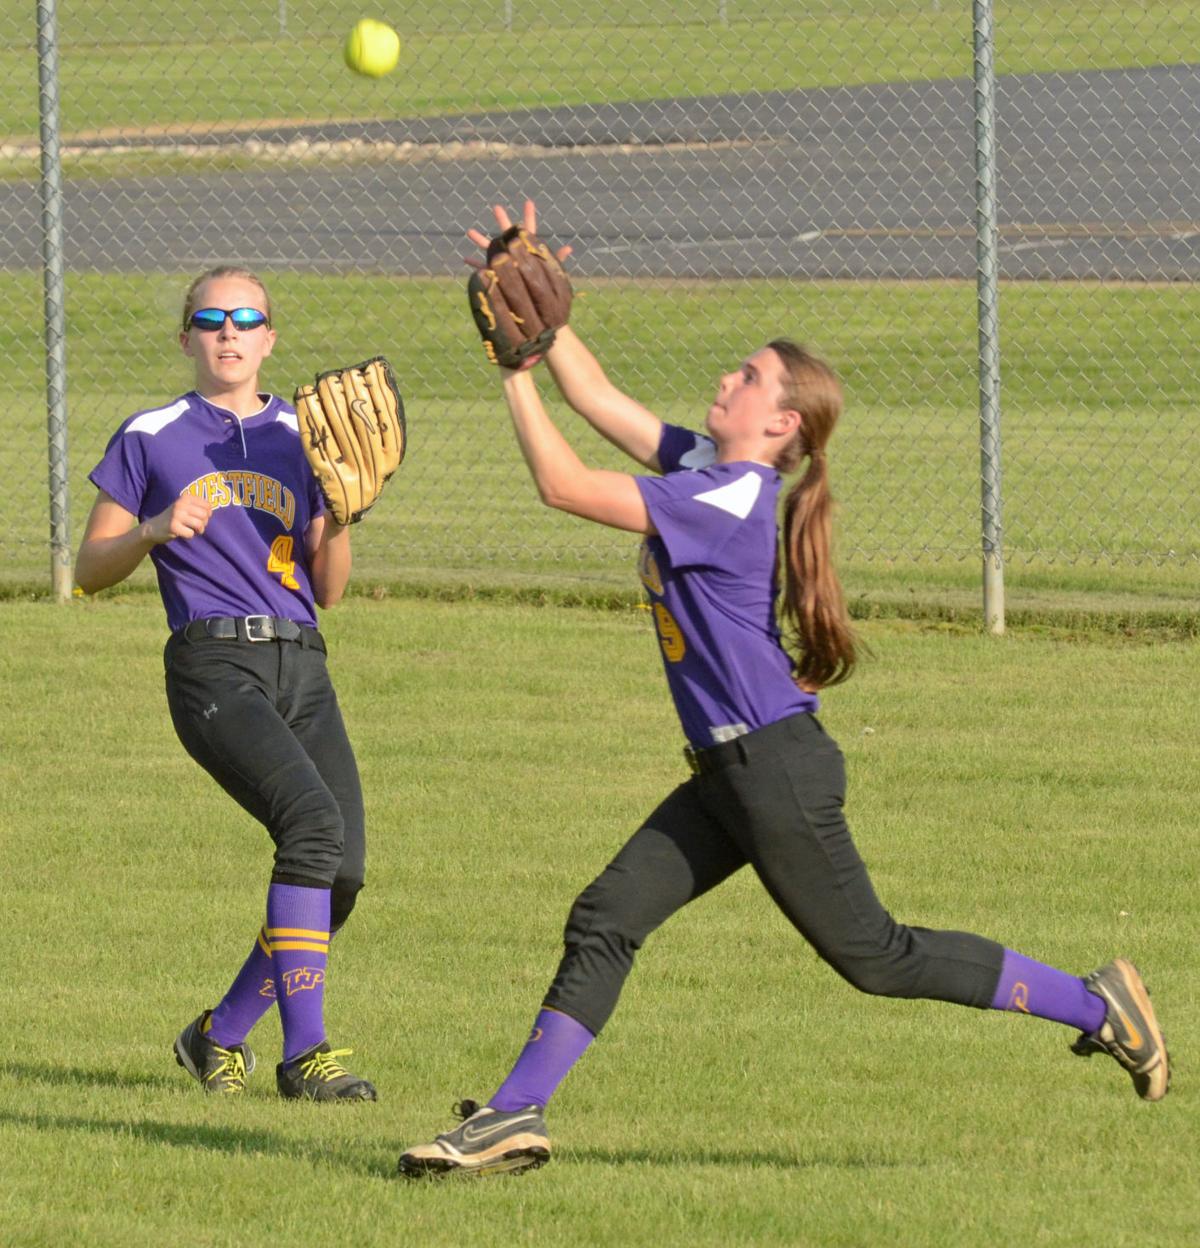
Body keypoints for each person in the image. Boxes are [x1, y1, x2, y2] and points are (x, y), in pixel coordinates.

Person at [396, 202, 1169, 1177]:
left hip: (775, 772)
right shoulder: (707, 470)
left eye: (749, 376)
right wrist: (534, 306)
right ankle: (512, 1117)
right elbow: (595, 399)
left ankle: (1099, 1006)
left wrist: (512, 373)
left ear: (782, 423)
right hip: (733, 770)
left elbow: (562, 481)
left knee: (876, 957)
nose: (728, 377)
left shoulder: (724, 499)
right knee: (607, 916)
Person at [75, 266, 376, 1101]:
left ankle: (218, 1035)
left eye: (247, 318)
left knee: (340, 870)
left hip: (303, 663)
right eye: (210, 319)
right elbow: (89, 569)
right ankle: (305, 1057)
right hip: (214, 663)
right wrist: (151, 528)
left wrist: (342, 517)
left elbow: (332, 586)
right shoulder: (151, 434)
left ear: (269, 338)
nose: (229, 331)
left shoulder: (306, 437)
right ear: (187, 338)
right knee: (312, 825)